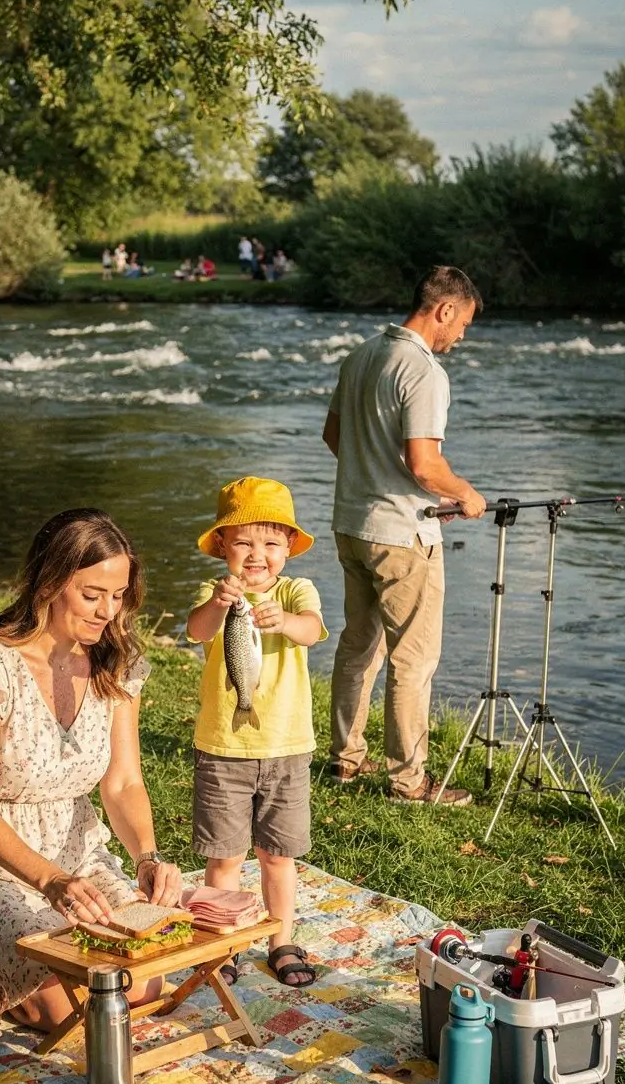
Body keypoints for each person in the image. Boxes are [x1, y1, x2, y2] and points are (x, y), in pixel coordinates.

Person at [0, 508, 184, 1031]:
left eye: (119, 594)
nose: (109, 610)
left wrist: (147, 858)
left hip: (78, 857)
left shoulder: (116, 666)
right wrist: (50, 881)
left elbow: (124, 782)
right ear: (51, 582)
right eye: (92, 594)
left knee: (146, 980)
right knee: (66, 1006)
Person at [322, 265, 487, 806]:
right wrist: (464, 493)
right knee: (412, 660)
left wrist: (373, 475)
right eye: (461, 322)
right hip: (401, 536)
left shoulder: (361, 355)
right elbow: (425, 464)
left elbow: (333, 436)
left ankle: (345, 760)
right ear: (443, 310)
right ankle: (408, 782)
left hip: (351, 525)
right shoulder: (423, 370)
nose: (461, 335)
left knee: (357, 647)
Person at [186, 477, 327, 988]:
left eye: (270, 543)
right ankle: (223, 944)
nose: (256, 555)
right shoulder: (215, 593)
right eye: (242, 542)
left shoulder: (296, 590)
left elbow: (311, 629)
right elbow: (198, 630)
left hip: (287, 747)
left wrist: (285, 620)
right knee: (224, 857)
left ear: (288, 547)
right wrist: (222, 604)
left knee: (279, 856)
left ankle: (281, 939)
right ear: (221, 546)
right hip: (224, 748)